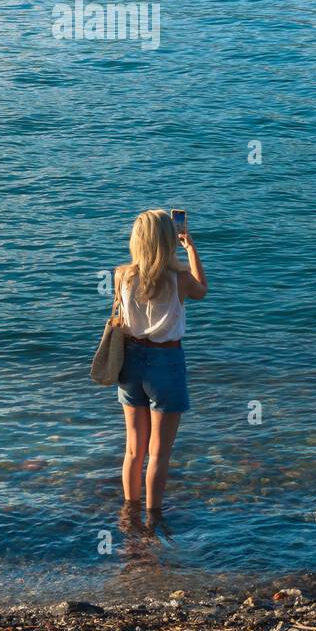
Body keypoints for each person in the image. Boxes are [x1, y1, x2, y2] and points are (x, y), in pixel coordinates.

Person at [114, 209, 207, 511]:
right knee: (158, 454)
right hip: (166, 361)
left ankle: (130, 516)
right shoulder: (179, 279)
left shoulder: (122, 276)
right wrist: (190, 248)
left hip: (131, 361)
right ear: (169, 240)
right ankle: (154, 520)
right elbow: (202, 290)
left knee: (133, 451)